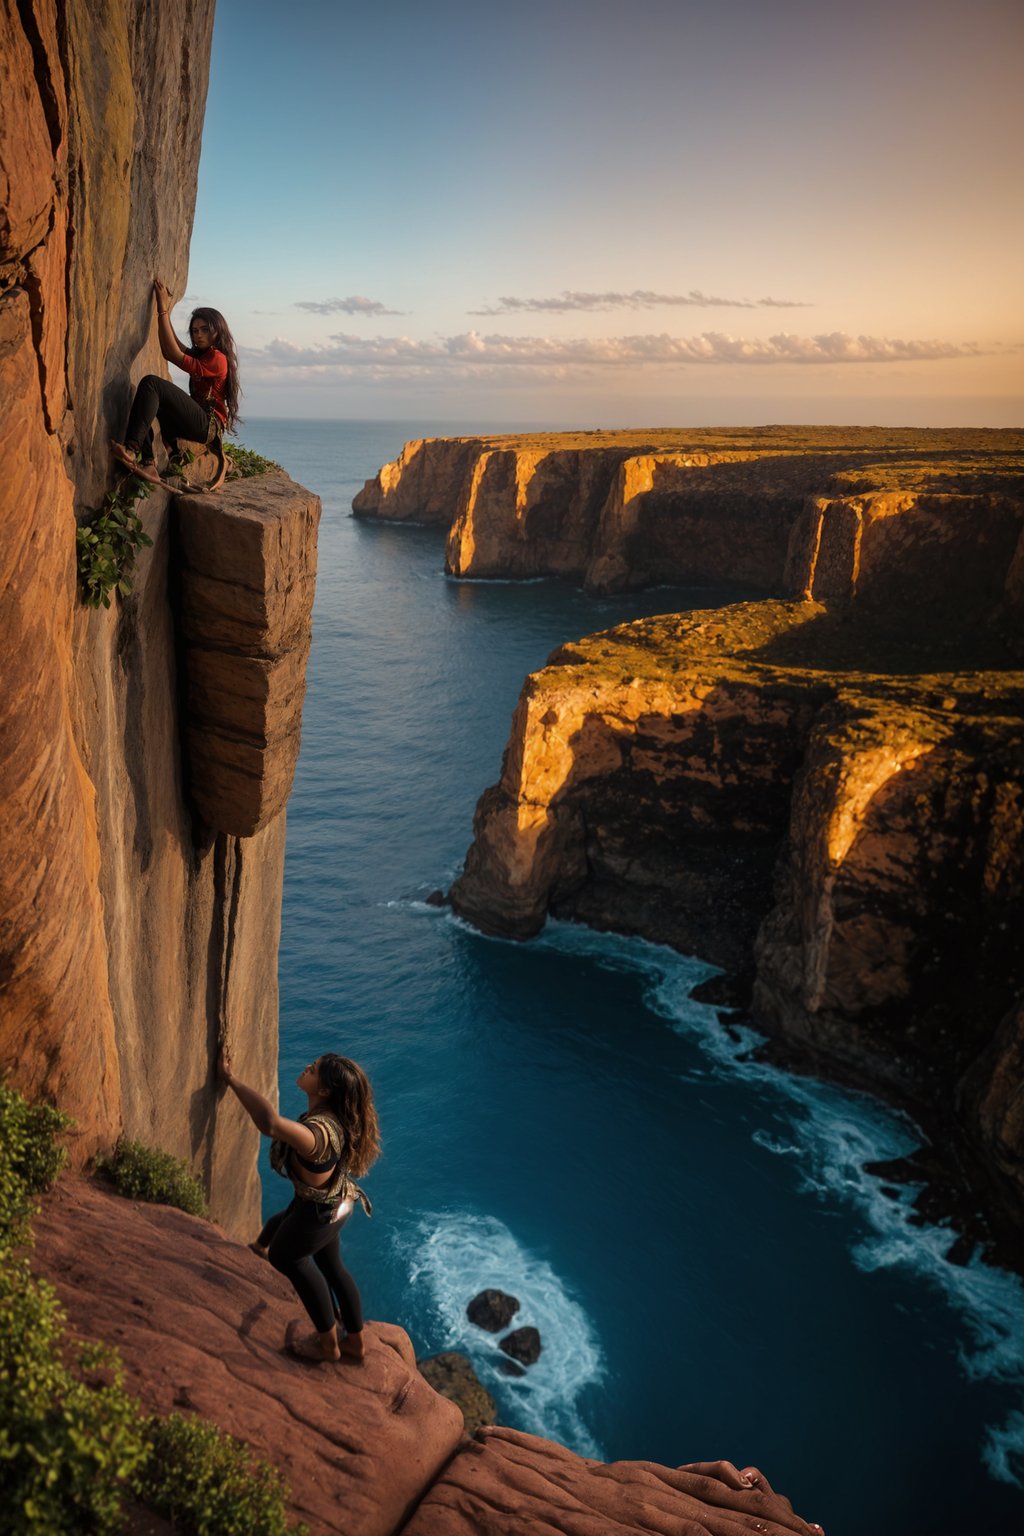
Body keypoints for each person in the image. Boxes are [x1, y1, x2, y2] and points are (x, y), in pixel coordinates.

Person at [219, 1048, 380, 1364]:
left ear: (324, 1090)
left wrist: (231, 1079)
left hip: (318, 1213)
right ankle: (356, 1344)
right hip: (338, 1203)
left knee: (289, 1258)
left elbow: (269, 1123)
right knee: (333, 1268)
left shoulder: (316, 1135)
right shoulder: (337, 1120)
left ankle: (329, 1346)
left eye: (315, 1068)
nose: (308, 1065)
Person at [111, 278, 240, 488]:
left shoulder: (218, 359)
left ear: (218, 330)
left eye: (204, 329)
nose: (198, 335)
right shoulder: (203, 355)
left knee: (152, 384)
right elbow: (170, 348)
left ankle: (131, 449)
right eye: (195, 330)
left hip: (208, 425)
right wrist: (166, 314)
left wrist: (162, 309)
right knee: (145, 399)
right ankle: (148, 463)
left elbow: (172, 354)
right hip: (195, 420)